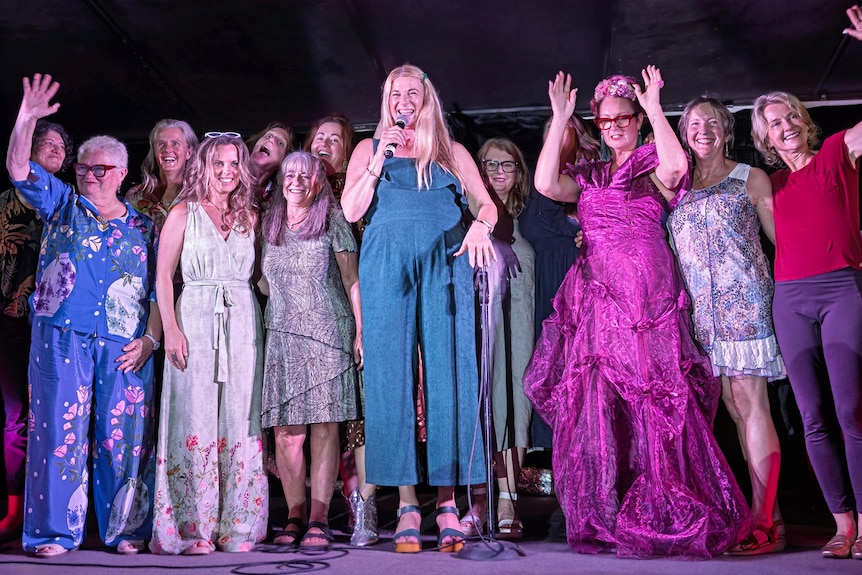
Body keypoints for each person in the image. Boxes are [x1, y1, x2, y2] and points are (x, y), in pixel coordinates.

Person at [523, 68, 752, 558]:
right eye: (605, 121)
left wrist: (652, 108)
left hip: (647, 295)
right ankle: (609, 508)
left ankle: (666, 503)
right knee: (601, 402)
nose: (614, 127)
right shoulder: (590, 175)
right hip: (598, 298)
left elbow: (675, 169)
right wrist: (562, 115)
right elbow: (544, 183)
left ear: (636, 121)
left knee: (656, 399)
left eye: (622, 118)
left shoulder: (651, 162)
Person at [341, 63, 497, 553]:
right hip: (385, 262)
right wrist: (376, 159)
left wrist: (480, 226)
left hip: (445, 260)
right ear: (385, 100)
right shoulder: (370, 149)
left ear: (427, 98)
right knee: (391, 377)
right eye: (395, 93)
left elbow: (487, 205)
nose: (404, 100)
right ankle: (408, 503)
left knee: (450, 375)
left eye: (413, 92)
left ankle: (447, 502)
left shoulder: (452, 152)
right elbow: (350, 210)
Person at [7, 73, 159, 557]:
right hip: (60, 337)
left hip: (124, 343)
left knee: (125, 437)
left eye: (101, 170)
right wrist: (27, 118)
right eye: (84, 169)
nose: (90, 176)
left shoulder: (144, 226)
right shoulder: (62, 205)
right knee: (57, 433)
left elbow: (160, 291)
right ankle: (54, 533)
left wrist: (152, 339)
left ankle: (126, 530)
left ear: (121, 171)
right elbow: (17, 169)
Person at [748, 5, 862, 560]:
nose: (785, 126)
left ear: (804, 120)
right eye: (773, 122)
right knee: (812, 418)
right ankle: (843, 525)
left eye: (790, 116)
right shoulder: (764, 184)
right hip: (790, 300)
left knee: (852, 411)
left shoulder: (840, 152)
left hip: (843, 289)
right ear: (765, 137)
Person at [668, 96, 786, 555]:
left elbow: (782, 241)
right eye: (694, 123)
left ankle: (763, 520)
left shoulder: (749, 178)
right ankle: (769, 512)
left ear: (726, 130)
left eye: (713, 122)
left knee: (750, 403)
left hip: (746, 307)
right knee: (736, 412)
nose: (703, 130)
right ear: (683, 134)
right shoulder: (676, 187)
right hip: (703, 317)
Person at [150, 133, 268, 555]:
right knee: (194, 415)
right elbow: (163, 277)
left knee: (240, 417)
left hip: (242, 321)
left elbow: (261, 278)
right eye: (218, 163)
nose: (226, 171)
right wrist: (171, 329)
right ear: (204, 165)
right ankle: (190, 527)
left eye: (234, 163)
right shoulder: (183, 212)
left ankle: (236, 525)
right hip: (195, 317)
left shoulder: (250, 217)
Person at [259, 151, 363, 551]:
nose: (297, 181)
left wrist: (361, 331)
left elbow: (352, 278)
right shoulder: (268, 222)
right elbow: (262, 283)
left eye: (306, 175)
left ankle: (319, 516)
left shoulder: (332, 219)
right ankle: (294, 513)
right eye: (290, 174)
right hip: (283, 336)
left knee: (323, 428)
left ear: (318, 182)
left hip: (327, 333)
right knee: (286, 435)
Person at [303, 114, 377, 545]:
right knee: (323, 419)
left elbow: (363, 259)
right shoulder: (292, 192)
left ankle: (363, 509)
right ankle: (318, 511)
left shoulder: (355, 195)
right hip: (306, 319)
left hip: (354, 310)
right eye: (319, 136)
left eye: (335, 139)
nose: (325, 144)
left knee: (360, 414)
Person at [0, 118, 73, 543]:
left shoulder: (66, 205)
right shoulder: (4, 203)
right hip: (9, 323)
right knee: (15, 419)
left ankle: (48, 507)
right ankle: (13, 508)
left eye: (62, 148)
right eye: (45, 143)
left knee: (55, 417)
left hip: (52, 328)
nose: (55, 151)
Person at [460, 138, 534, 540]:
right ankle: (480, 499)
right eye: (489, 164)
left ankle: (508, 500)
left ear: (519, 172)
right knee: (482, 402)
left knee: (514, 402)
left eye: (508, 165)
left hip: (521, 319)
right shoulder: (467, 214)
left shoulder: (535, 214)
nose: (499, 172)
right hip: (479, 320)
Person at [520, 114, 598, 450]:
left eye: (563, 125)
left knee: (579, 371)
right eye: (549, 127)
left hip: (579, 284)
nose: (555, 133)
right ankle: (547, 455)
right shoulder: (536, 182)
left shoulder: (592, 176)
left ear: (578, 134)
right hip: (541, 287)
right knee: (545, 370)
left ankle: (585, 453)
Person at [125, 119, 198, 230]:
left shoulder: (200, 194)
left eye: (175, 143)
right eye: (161, 144)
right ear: (154, 151)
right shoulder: (135, 196)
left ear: (189, 152)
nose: (167, 149)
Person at [247, 122, 294, 206]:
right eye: (268, 136)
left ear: (284, 160)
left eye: (280, 143)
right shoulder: (230, 175)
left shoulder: (278, 198)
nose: (271, 140)